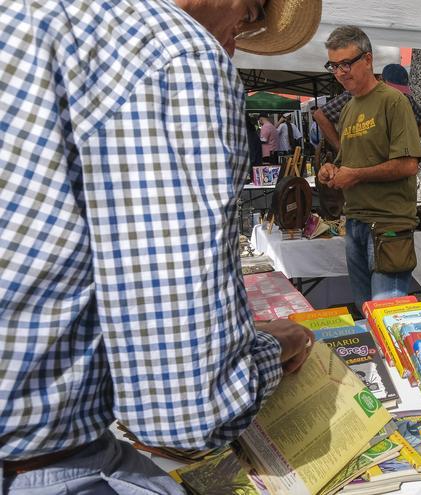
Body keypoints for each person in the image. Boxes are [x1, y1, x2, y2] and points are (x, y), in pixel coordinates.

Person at [0, 0, 316, 492]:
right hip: (42, 466)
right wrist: (276, 345)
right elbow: (187, 411)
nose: (235, 42)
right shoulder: (173, 52)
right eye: (250, 14)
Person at [317, 26, 421, 311]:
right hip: (355, 222)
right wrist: (331, 170)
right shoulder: (350, 108)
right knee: (366, 312)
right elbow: (349, 161)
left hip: (389, 224)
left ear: (368, 60)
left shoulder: (394, 101)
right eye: (334, 65)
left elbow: (409, 164)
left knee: (387, 316)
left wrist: (356, 175)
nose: (340, 72)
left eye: (346, 63)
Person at [314, 63, 421, 152]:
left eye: (399, 91)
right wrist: (340, 148)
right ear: (380, 80)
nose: (396, 95)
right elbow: (320, 115)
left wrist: (410, 141)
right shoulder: (355, 94)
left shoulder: (405, 98)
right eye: (392, 90)